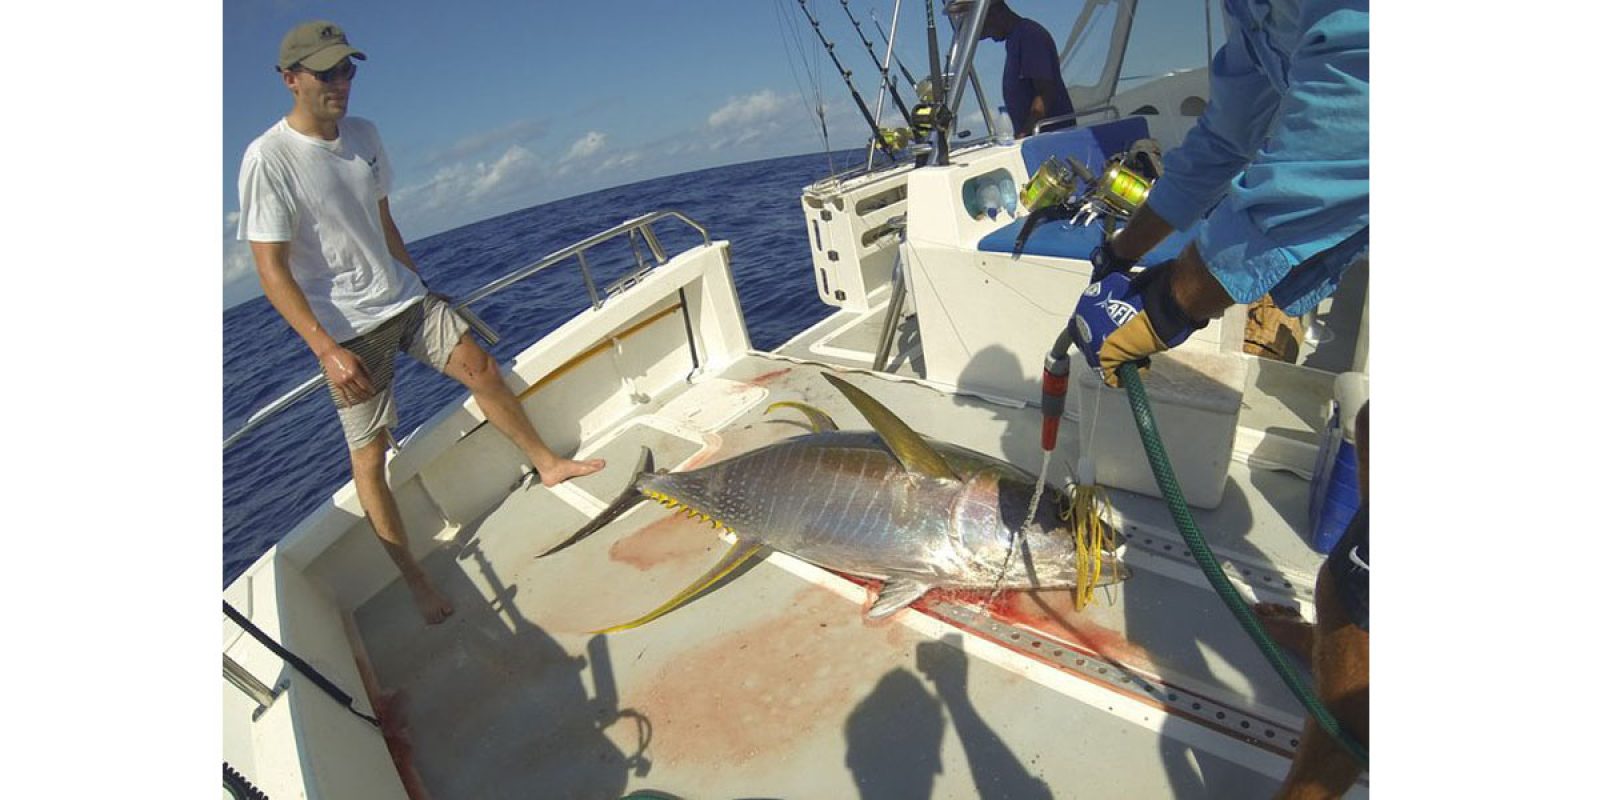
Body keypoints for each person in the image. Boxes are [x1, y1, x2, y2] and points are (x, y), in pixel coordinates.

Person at [237, 21, 604, 624]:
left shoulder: (364, 135)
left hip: (406, 299)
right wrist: (326, 349)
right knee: (371, 454)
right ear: (290, 79)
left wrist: (422, 286)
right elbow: (270, 269)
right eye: (326, 72)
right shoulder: (267, 159)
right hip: (347, 330)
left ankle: (548, 461)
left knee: (482, 367)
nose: (341, 82)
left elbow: (384, 224)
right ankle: (414, 580)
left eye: (347, 69)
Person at [1066, 0, 1368, 389]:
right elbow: (1222, 140)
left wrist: (1169, 306)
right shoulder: (1252, 13)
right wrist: (1119, 253)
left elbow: (1351, 126)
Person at [977, 1, 1075, 138]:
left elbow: (1045, 93)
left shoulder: (1029, 35)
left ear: (996, 13)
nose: (989, 36)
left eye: (986, 28)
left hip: (1053, 137)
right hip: (1037, 137)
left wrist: (1024, 133)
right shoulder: (1014, 39)